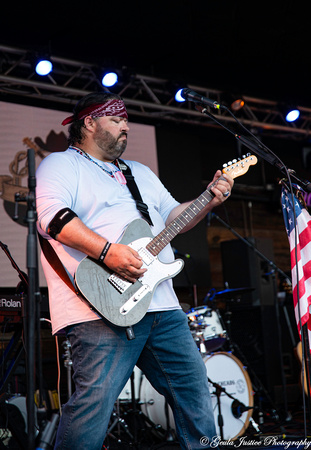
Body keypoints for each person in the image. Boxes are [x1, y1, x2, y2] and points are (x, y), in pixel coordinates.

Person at [36, 91, 234, 449]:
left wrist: (207, 199)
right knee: (92, 408)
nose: (126, 125)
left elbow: (173, 218)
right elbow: (52, 219)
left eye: (127, 119)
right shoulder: (61, 165)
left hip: (162, 306)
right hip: (99, 307)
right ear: (90, 123)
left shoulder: (139, 172)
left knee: (194, 393)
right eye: (116, 119)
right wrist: (108, 252)